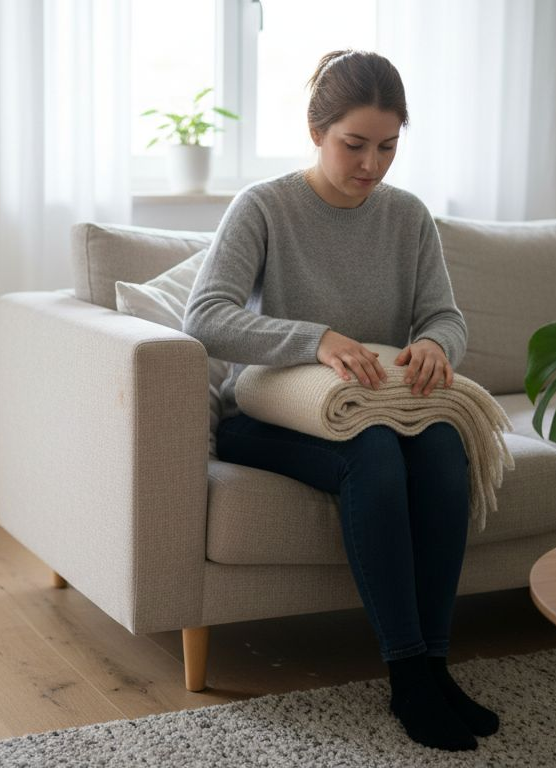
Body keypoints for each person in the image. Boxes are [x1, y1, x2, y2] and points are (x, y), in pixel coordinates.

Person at [183, 50, 498, 752]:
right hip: (265, 416)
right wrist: (315, 339)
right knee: (374, 454)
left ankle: (435, 666)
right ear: (316, 131)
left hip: (371, 404)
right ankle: (407, 676)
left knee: (443, 447)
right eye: (354, 144)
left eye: (388, 146)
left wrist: (435, 344)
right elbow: (204, 317)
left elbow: (444, 316)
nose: (371, 164)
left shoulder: (407, 217)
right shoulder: (264, 207)